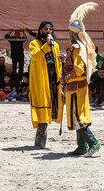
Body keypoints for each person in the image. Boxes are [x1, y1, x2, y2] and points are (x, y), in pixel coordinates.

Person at [63, 2, 102, 157]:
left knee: (78, 116)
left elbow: (78, 69)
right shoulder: (79, 47)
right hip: (77, 86)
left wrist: (67, 76)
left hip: (76, 86)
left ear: (73, 33)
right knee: (76, 115)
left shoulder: (77, 47)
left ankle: (93, 143)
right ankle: (82, 146)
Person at [29, 20, 63, 149]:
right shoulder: (34, 44)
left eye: (50, 29)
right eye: (46, 29)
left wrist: (62, 64)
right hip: (40, 81)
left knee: (50, 107)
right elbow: (36, 56)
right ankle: (43, 139)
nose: (48, 31)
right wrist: (46, 46)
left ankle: (38, 138)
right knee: (42, 107)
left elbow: (56, 63)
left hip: (53, 79)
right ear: (40, 31)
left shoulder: (56, 45)